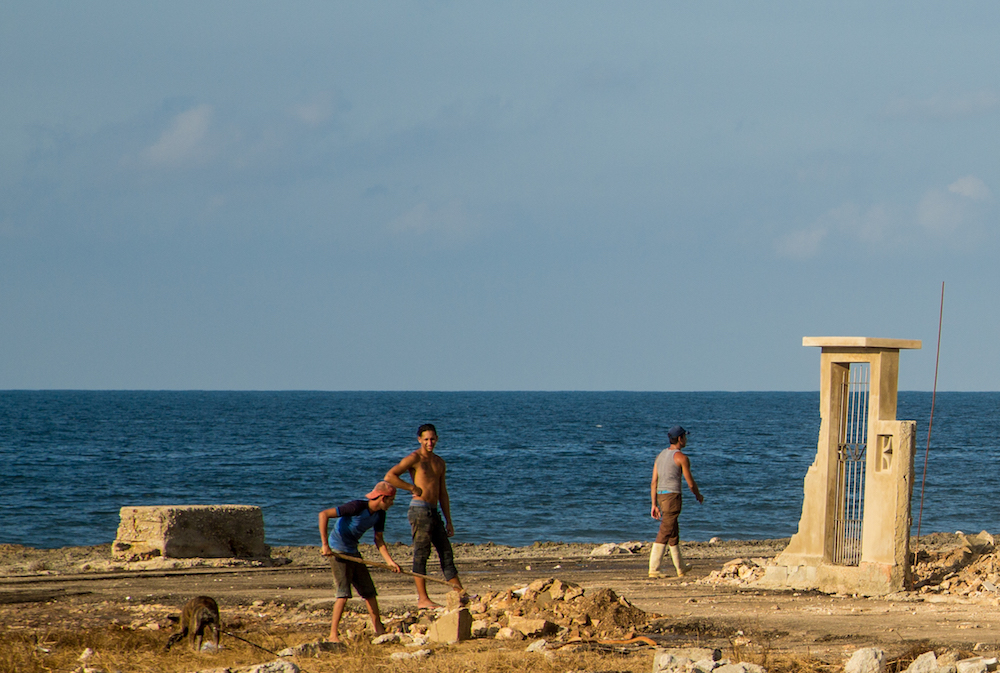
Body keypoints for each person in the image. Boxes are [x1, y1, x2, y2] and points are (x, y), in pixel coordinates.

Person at [384, 423, 464, 608]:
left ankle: (460, 593)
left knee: (446, 553)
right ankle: (423, 599)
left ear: (437, 439)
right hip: (419, 510)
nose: (430, 442)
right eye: (426, 439)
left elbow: (443, 493)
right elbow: (390, 476)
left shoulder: (439, 462)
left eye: (432, 439)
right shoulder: (415, 458)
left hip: (434, 511)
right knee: (421, 554)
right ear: (419, 439)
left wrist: (449, 521)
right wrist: (411, 487)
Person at [318, 481, 402, 642]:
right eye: (391, 500)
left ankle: (378, 627)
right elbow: (323, 514)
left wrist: (390, 562)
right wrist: (325, 545)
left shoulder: (380, 514)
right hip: (338, 551)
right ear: (383, 498)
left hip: (353, 551)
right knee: (343, 594)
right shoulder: (356, 507)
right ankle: (333, 634)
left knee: (369, 591)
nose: (392, 504)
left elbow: (379, 540)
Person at [649, 425, 704, 578]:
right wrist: (698, 495)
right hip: (672, 497)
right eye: (685, 437)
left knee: (673, 531)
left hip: (661, 495)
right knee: (666, 530)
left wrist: (654, 504)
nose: (686, 439)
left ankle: (680, 567)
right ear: (680, 439)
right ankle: (654, 568)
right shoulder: (681, 457)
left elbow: (654, 482)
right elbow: (690, 482)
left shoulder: (660, 455)